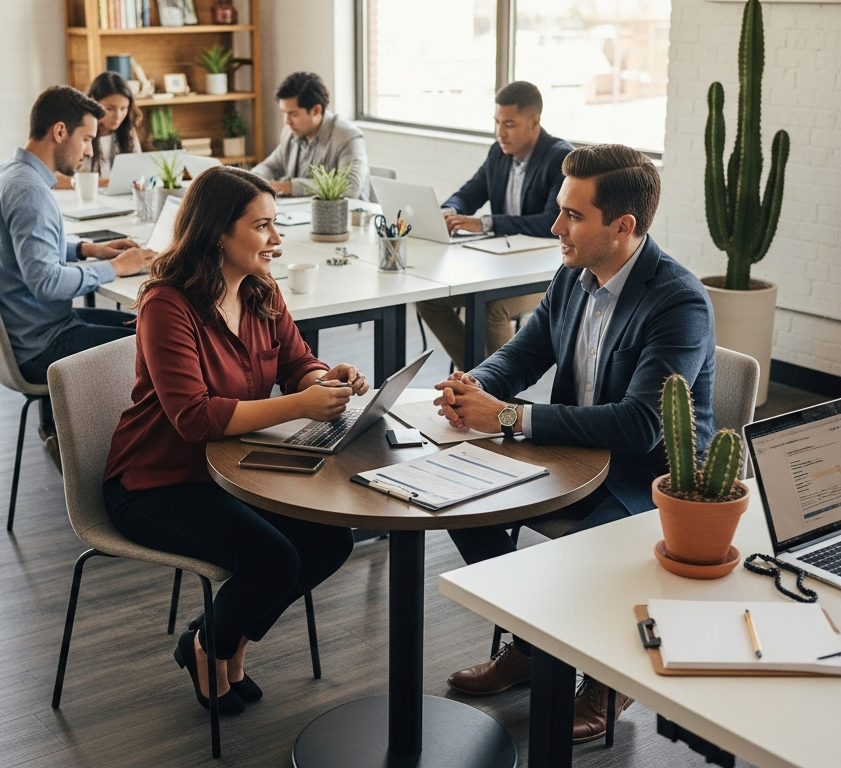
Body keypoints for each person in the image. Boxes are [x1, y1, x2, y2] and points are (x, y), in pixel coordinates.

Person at [432, 144, 716, 744]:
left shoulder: (678, 301)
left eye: (572, 215)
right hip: (572, 456)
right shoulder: (573, 275)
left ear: (623, 227)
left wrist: (509, 417)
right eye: (559, 210)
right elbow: (523, 352)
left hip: (647, 477)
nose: (555, 226)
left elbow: (642, 425)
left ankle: (607, 680)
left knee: (582, 553)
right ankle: (534, 642)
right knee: (455, 497)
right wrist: (474, 385)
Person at [103, 166, 358, 715]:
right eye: (262, 226)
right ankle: (208, 647)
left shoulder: (262, 292)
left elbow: (297, 364)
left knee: (332, 540)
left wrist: (323, 381)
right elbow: (192, 418)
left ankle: (221, 639)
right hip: (155, 482)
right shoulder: (166, 304)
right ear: (219, 232)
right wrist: (301, 405)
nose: (276, 239)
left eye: (275, 225)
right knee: (273, 562)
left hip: (235, 472)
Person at [0, 85, 157, 463]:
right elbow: (46, 283)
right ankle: (135, 460)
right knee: (157, 346)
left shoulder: (2, 176)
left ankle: (83, 441)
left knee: (145, 326)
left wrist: (86, 250)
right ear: (60, 132)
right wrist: (115, 267)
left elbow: (25, 249)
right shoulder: (30, 192)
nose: (90, 150)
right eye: (87, 138)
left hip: (22, 332)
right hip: (41, 345)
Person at [417, 81, 575, 370]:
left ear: (534, 121)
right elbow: (470, 192)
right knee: (430, 300)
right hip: (502, 265)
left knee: (493, 309)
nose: (500, 132)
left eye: (510, 124)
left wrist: (485, 223)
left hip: (545, 272)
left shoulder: (559, 158)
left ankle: (497, 389)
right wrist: (449, 210)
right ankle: (480, 377)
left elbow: (550, 222)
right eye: (497, 123)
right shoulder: (498, 153)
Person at [251, 71, 369, 200]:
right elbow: (270, 166)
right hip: (299, 215)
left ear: (316, 110)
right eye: (284, 113)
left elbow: (348, 188)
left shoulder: (347, 136)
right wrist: (252, 181)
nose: (286, 121)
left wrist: (289, 187)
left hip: (343, 217)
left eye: (293, 114)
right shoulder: (291, 132)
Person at [79, 71, 141, 182]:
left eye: (123, 109)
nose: (117, 116)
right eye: (110, 109)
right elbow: (58, 178)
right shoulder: (78, 132)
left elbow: (138, 172)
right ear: (94, 103)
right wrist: (104, 183)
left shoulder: (128, 132)